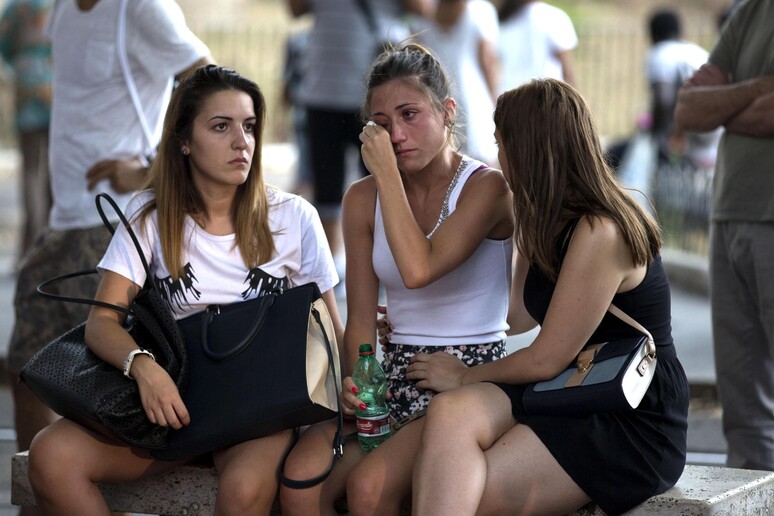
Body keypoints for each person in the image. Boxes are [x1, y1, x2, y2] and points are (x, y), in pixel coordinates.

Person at [26, 64, 345, 515]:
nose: (242, 141)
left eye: (250, 126)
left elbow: (331, 329)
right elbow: (102, 321)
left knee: (243, 490)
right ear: (184, 140)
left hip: (260, 405)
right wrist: (143, 368)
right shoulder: (150, 215)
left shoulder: (294, 217)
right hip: (173, 399)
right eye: (221, 126)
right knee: (50, 456)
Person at [410, 78, 689, 515]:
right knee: (451, 413)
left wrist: (466, 374)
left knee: (468, 492)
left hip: (627, 412)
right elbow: (518, 316)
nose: (496, 158)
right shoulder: (547, 217)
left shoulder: (602, 229)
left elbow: (545, 358)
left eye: (502, 143)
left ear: (530, 149)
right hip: (571, 388)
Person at [279, 43, 514, 515]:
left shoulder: (486, 187)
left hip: (464, 380)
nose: (397, 135)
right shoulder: (362, 199)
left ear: (447, 112)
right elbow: (361, 318)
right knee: (300, 482)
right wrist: (357, 383)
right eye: (382, 125)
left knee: (368, 489)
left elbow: (418, 269)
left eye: (410, 114)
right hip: (390, 373)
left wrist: (386, 173)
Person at [6, 0, 213, 470]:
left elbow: (211, 84)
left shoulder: (140, 8)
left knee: (94, 387)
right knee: (28, 368)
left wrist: (151, 169)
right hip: (65, 221)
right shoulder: (64, 8)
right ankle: (42, 497)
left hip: (111, 222)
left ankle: (68, 488)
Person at [673, 0, 774, 472]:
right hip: (729, 213)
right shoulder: (754, 9)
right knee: (744, 409)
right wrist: (756, 89)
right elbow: (689, 109)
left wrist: (725, 100)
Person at [285, 0, 430, 263]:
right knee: (325, 187)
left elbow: (423, 8)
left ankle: (388, 258)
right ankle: (331, 264)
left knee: (385, 180)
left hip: (378, 100)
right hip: (322, 91)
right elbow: (295, 10)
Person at [0, 0, 53, 259]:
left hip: (29, 94)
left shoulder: (14, 9)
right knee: (50, 174)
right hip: (55, 93)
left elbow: (5, 49)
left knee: (32, 173)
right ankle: (49, 247)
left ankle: (32, 250)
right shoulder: (60, 5)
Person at [418, 0, 500, 165]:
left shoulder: (424, 15)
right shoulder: (482, 12)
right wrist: (495, 98)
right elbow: (487, 61)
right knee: (484, 166)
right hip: (475, 98)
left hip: (437, 97)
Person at [646, 9, 719, 168]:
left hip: (688, 136)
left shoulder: (660, 53)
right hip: (715, 133)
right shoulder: (696, 51)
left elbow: (663, 100)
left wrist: (656, 138)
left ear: (652, 35)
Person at [496, 0, 578, 93]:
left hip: (510, 97)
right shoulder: (554, 17)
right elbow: (567, 69)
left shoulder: (502, 21)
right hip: (546, 98)